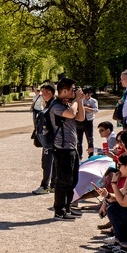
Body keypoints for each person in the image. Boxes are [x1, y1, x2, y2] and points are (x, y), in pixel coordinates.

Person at [48, 78, 85, 220]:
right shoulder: (55, 105)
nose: (74, 91)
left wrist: (79, 100)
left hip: (72, 147)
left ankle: (68, 207)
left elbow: (80, 118)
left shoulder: (70, 104)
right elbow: (70, 114)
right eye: (72, 89)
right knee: (63, 180)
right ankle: (59, 210)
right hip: (62, 148)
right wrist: (75, 100)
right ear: (64, 91)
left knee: (73, 180)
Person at [31, 83, 57, 195]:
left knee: (47, 163)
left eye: (44, 92)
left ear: (49, 93)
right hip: (53, 139)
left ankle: (45, 185)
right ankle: (53, 185)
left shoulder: (53, 105)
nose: (42, 94)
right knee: (52, 163)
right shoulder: (52, 104)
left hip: (50, 140)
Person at [78, 86, 98, 157]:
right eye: (85, 93)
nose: (87, 95)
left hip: (89, 121)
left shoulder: (93, 101)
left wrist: (85, 108)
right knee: (79, 139)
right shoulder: (80, 100)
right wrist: (88, 108)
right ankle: (79, 154)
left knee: (90, 138)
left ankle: (91, 154)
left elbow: (95, 110)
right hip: (80, 121)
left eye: (89, 94)